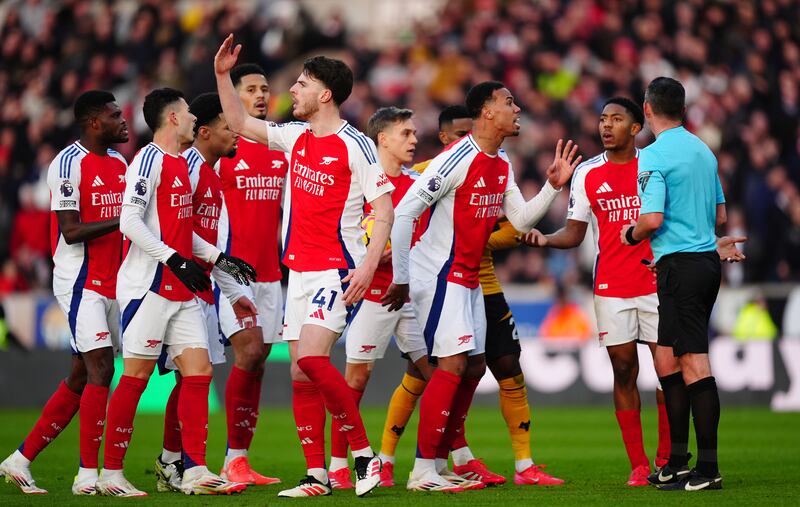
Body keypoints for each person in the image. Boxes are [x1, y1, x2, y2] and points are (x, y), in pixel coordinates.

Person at [215, 35, 392, 498]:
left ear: (325, 94)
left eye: (301, 83)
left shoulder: (356, 145)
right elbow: (236, 120)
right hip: (299, 271)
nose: (291, 90)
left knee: (313, 359)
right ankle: (315, 475)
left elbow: (384, 207)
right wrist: (220, 75)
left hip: (337, 270)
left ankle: (363, 455)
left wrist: (369, 267)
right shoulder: (293, 137)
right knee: (298, 372)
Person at [383, 81, 580, 492]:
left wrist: (553, 186)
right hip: (438, 273)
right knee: (452, 365)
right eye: (508, 102)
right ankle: (422, 471)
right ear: (487, 112)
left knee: (473, 366)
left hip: (469, 277)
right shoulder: (456, 159)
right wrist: (401, 279)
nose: (517, 107)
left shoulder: (500, 162)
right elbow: (403, 213)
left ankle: (438, 463)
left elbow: (522, 220)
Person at [96, 87, 254, 497]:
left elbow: (183, 233)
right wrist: (173, 259)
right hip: (148, 286)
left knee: (199, 373)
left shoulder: (181, 165)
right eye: (186, 114)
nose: (192, 120)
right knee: (136, 376)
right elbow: (130, 221)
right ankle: (110, 474)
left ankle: (195, 471)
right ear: (171, 119)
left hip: (179, 286)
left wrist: (222, 260)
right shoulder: (148, 159)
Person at [525, 97, 671, 486]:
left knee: (666, 373)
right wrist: (545, 239)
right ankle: (640, 465)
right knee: (624, 370)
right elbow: (575, 233)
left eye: (616, 119)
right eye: (603, 119)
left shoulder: (656, 165)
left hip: (657, 282)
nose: (606, 126)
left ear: (636, 127)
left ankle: (667, 456)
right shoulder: (588, 173)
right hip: (611, 286)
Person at [0, 90, 128, 496]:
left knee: (81, 375)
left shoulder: (121, 162)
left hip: (114, 281)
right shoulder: (67, 164)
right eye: (114, 115)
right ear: (94, 123)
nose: (123, 121)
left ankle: (19, 460)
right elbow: (71, 232)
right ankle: (87, 475)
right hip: (80, 281)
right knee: (101, 370)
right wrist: (123, 218)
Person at [620, 77, 725, 491]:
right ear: (682, 108)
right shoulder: (704, 150)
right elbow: (719, 216)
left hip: (681, 267)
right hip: (699, 263)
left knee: (694, 363)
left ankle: (709, 468)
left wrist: (629, 234)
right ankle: (677, 460)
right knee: (666, 358)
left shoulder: (652, 156)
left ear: (646, 109)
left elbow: (652, 220)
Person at [153, 92, 258, 492]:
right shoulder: (188, 169)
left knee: (188, 380)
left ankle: (171, 463)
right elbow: (179, 232)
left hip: (203, 289)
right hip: (177, 288)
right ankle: (175, 465)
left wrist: (231, 293)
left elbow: (212, 243)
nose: (237, 134)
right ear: (204, 131)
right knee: (185, 376)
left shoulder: (210, 173)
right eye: (230, 127)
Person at [215, 64, 287, 486]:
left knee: (257, 363)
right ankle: (216, 458)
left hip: (270, 274)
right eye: (252, 89)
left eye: (265, 89)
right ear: (233, 95)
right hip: (230, 273)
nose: (261, 95)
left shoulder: (279, 146)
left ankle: (237, 459)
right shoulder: (223, 148)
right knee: (249, 353)